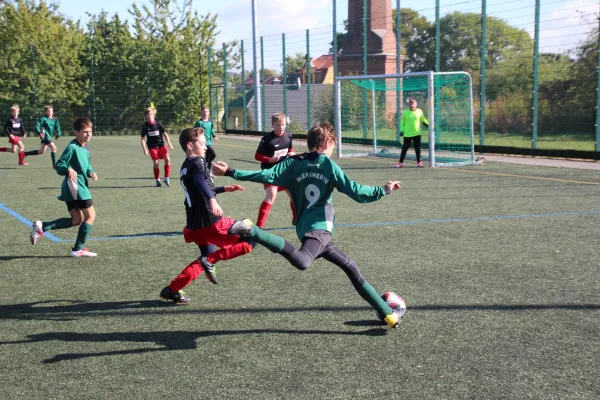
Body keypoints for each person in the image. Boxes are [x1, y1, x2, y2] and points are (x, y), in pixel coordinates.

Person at [212, 122, 405, 328]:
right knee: (303, 261)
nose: (332, 149)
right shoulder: (328, 165)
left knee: (351, 268)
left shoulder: (293, 162)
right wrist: (384, 189)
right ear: (327, 143)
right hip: (319, 228)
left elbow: (266, 176)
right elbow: (356, 191)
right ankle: (253, 231)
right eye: (333, 145)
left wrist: (232, 172)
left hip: (308, 230)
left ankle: (387, 314)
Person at [159, 127, 252, 304]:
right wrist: (213, 200)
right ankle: (209, 260)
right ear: (189, 145)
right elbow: (201, 182)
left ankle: (172, 289)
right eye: (202, 143)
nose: (206, 147)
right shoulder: (198, 161)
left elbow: (198, 189)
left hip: (195, 223)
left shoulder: (186, 166)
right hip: (209, 221)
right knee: (250, 240)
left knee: (204, 259)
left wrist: (224, 189)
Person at [30, 117, 99, 257]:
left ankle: (42, 226)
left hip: (72, 188)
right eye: (85, 132)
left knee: (76, 220)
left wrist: (90, 172)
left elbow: (84, 165)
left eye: (90, 131)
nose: (88, 134)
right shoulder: (72, 147)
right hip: (76, 187)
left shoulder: (85, 147)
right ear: (76, 132)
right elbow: (59, 166)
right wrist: (68, 169)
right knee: (91, 215)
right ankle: (78, 249)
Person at [253, 112, 296, 228]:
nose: (281, 127)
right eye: (278, 125)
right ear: (273, 125)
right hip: (270, 172)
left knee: (294, 195)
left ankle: (296, 219)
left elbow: (290, 149)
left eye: (283, 125)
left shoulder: (288, 136)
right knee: (271, 195)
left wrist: (292, 153)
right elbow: (257, 156)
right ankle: (259, 227)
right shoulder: (267, 139)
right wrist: (270, 159)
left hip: (284, 172)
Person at [140, 107, 174, 187]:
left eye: (151, 114)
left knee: (168, 160)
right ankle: (157, 180)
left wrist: (169, 143)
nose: (150, 115)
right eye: (148, 114)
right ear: (146, 116)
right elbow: (142, 138)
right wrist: (145, 149)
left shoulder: (158, 124)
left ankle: (166, 177)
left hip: (161, 145)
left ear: (154, 115)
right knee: (156, 163)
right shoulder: (144, 126)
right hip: (152, 147)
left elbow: (165, 133)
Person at [395, 98, 429, 168]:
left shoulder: (419, 111)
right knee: (405, 148)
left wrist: (428, 124)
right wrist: (402, 131)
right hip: (408, 134)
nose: (412, 105)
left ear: (416, 104)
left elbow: (423, 119)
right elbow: (402, 122)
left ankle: (419, 162)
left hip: (417, 133)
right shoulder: (406, 112)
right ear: (409, 105)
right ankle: (400, 163)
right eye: (410, 103)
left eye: (413, 103)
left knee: (418, 148)